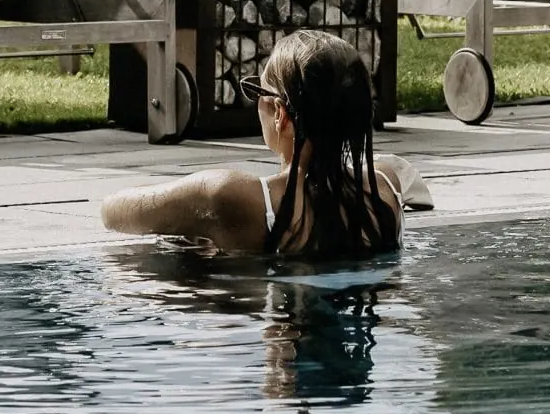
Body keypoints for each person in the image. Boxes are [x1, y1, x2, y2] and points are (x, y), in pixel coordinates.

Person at [100, 28, 422, 259]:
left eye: (259, 92)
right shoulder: (387, 192)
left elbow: (114, 213)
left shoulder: (235, 197)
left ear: (280, 113)